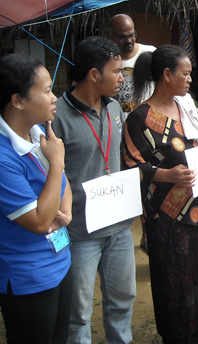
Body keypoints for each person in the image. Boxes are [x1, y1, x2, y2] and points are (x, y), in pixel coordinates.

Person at [124, 45, 198, 343]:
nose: (189, 79)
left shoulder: (188, 108)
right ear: (167, 74)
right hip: (166, 213)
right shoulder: (139, 117)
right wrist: (167, 176)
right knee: (176, 274)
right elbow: (132, 165)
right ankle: (181, 335)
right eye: (185, 73)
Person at [52, 36, 136, 343]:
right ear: (94, 75)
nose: (121, 78)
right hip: (80, 233)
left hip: (119, 227)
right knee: (79, 311)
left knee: (123, 299)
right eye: (116, 71)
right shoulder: (57, 116)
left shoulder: (114, 108)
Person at [0, 54, 72, 344]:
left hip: (59, 260)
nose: (54, 98)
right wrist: (56, 163)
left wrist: (62, 212)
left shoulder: (37, 132)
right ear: (18, 101)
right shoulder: (4, 157)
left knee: (59, 338)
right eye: (46, 91)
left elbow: (62, 190)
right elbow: (41, 221)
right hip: (27, 275)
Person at [110, 13, 156, 254]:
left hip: (149, 132)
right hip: (119, 135)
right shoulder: (109, 59)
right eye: (122, 37)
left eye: (132, 35)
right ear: (113, 37)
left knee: (149, 182)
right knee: (129, 185)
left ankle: (148, 235)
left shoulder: (149, 53)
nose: (129, 41)